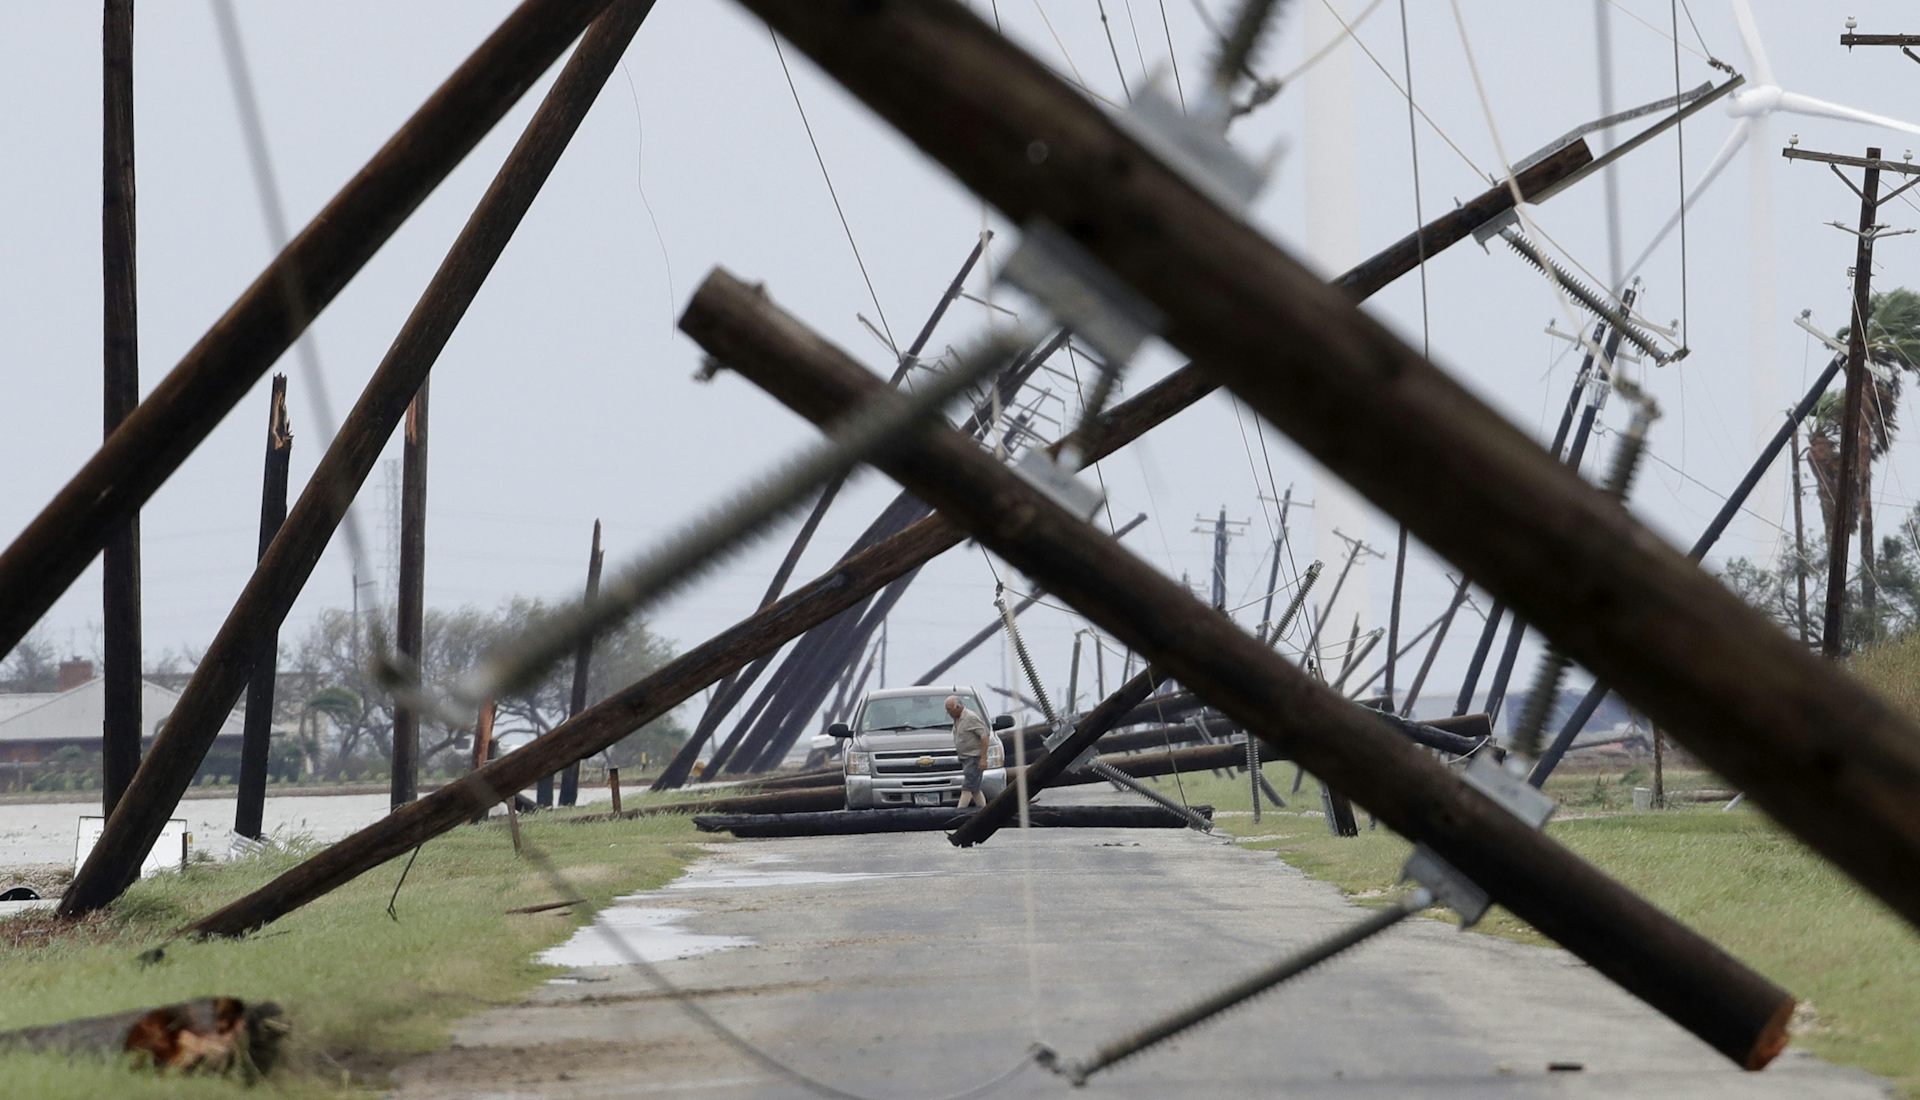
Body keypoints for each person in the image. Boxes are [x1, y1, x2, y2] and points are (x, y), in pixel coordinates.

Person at [945, 695, 992, 810]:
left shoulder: (970, 717)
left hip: (974, 758)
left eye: (949, 710)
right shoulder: (957, 719)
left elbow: (984, 736)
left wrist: (983, 758)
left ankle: (958, 813)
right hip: (965, 758)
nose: (948, 713)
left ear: (958, 707)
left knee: (967, 788)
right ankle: (984, 811)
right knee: (975, 789)